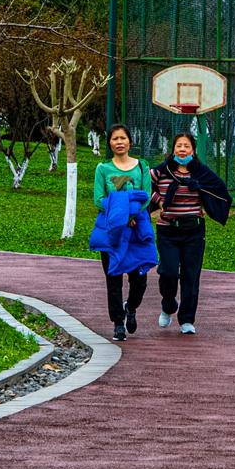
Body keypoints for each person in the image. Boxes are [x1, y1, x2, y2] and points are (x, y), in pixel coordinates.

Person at [149, 131, 230, 335]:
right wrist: (159, 200)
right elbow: (143, 186)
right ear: (173, 149)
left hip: (193, 231)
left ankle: (186, 320)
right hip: (168, 229)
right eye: (179, 146)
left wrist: (200, 189)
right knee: (168, 272)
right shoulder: (161, 171)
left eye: (186, 146)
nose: (182, 149)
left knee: (191, 275)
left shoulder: (201, 173)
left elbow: (219, 190)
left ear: (193, 150)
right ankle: (168, 305)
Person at [92, 123, 153, 342]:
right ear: (110, 143)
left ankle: (132, 307)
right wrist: (121, 215)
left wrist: (132, 215)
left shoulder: (141, 167)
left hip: (137, 229)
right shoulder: (103, 169)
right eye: (115, 139)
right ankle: (118, 323)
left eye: (123, 138)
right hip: (112, 230)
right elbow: (99, 199)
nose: (119, 142)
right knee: (113, 277)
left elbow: (146, 196)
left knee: (140, 280)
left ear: (130, 141)